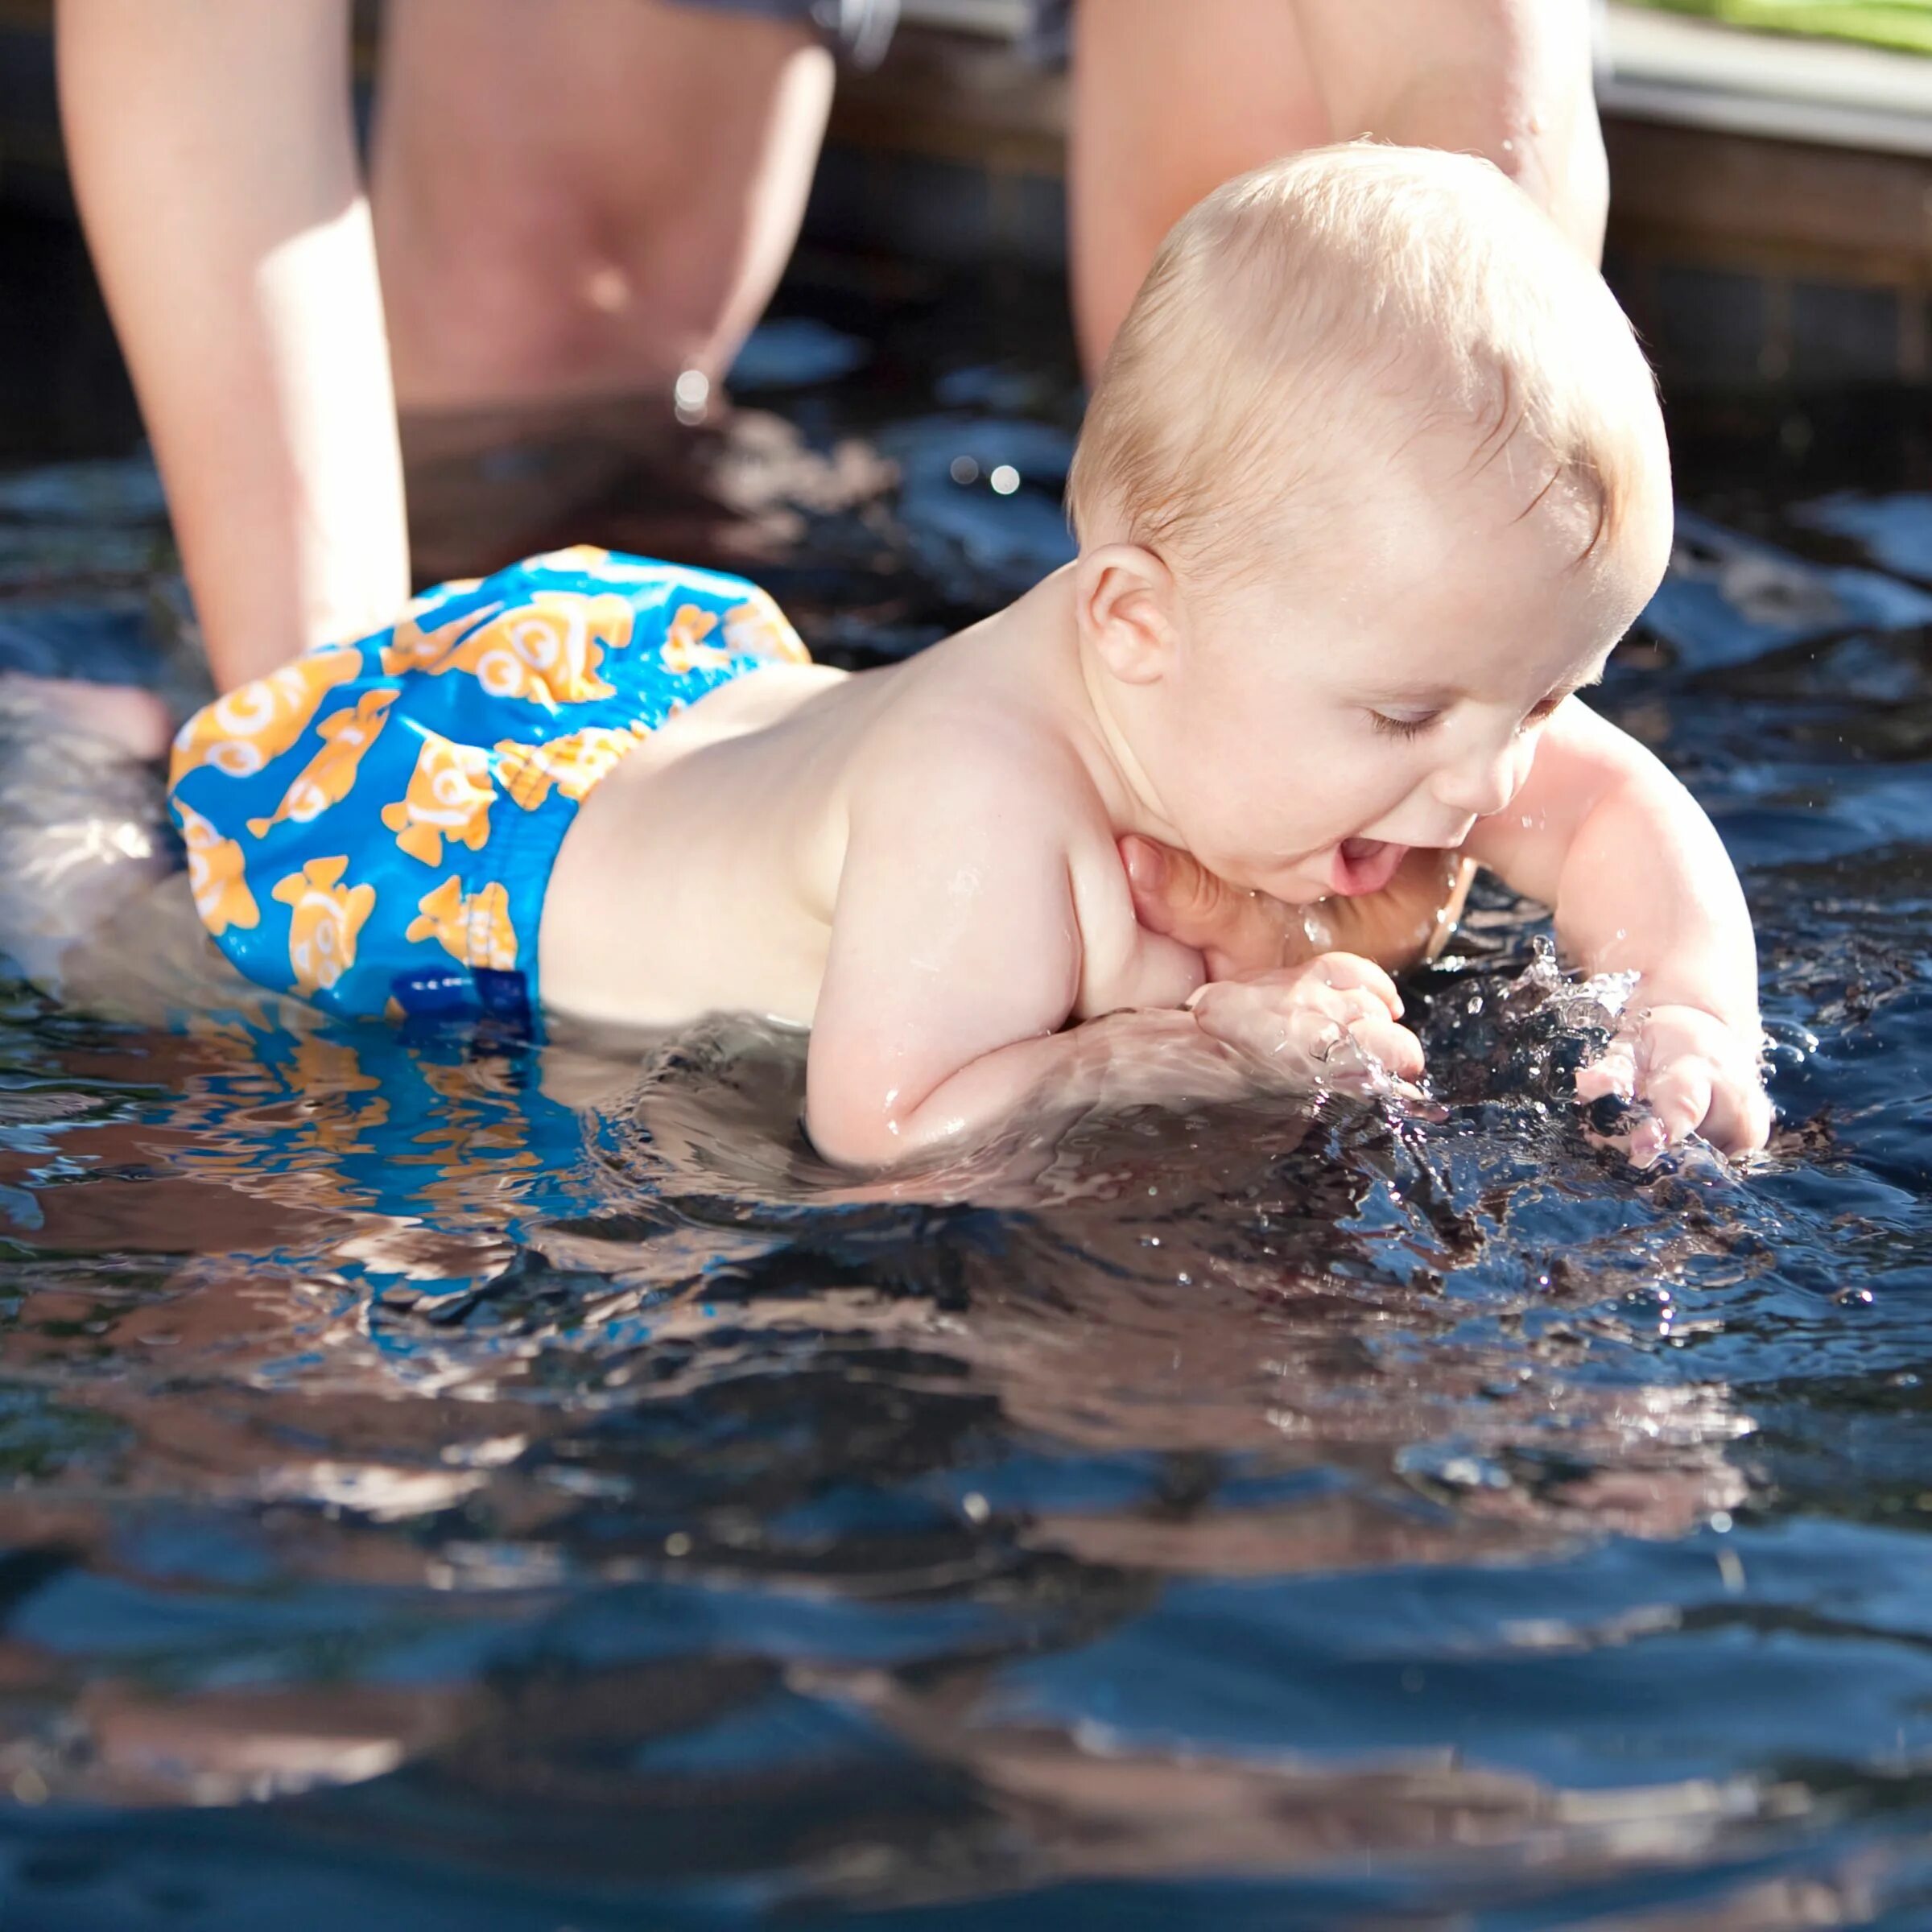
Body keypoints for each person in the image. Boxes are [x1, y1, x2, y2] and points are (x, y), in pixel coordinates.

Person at [167, 147, 1769, 1172]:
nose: (1494, 774)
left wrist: (1694, 1010)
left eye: (1553, 692)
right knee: (141, 930)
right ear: (1134, 623)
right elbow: (882, 1121)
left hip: (676, 702)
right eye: (1416, 713)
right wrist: (1189, 1056)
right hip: (466, 863)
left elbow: (1627, 820)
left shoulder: (1404, 684)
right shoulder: (984, 797)